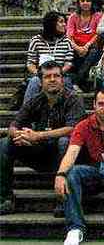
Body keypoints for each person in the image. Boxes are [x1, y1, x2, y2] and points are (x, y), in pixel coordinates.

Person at [0, 61, 86, 216]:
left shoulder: (74, 98)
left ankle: (64, 199)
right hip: (42, 154)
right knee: (5, 143)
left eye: (56, 76)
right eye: (47, 77)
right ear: (40, 81)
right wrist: (20, 135)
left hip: (69, 156)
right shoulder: (36, 100)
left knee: (64, 141)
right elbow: (14, 124)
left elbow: (73, 129)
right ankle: (5, 198)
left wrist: (37, 136)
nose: (52, 79)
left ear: (62, 79)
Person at [56, 87, 104, 245]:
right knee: (72, 172)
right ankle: (75, 228)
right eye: (101, 104)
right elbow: (72, 152)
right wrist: (60, 174)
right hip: (95, 172)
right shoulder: (83, 125)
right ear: (94, 105)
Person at [24, 11, 75, 104]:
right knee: (34, 82)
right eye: (61, 22)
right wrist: (41, 74)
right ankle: (27, 113)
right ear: (52, 23)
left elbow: (68, 63)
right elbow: (30, 63)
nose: (64, 25)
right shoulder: (36, 40)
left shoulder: (67, 41)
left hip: (61, 74)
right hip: (40, 75)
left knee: (66, 82)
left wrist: (57, 74)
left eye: (65, 22)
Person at [66, 0, 102, 89]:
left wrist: (86, 46)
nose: (85, 3)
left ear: (92, 2)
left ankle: (77, 81)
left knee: (94, 52)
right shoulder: (73, 17)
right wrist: (78, 48)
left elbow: (98, 34)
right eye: (82, 1)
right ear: (78, 2)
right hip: (76, 47)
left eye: (88, 0)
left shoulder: (98, 16)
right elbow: (69, 36)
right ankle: (82, 81)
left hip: (91, 46)